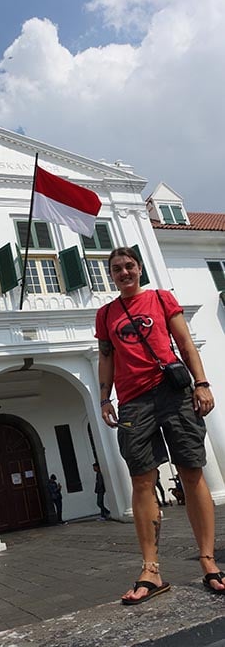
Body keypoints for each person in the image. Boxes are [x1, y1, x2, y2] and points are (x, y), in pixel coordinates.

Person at [95, 246, 219, 605]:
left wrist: (202, 383)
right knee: (141, 479)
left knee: (191, 470)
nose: (124, 273)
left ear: (139, 268)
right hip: (133, 400)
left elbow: (185, 343)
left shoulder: (161, 300)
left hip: (173, 391)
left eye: (129, 266)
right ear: (111, 275)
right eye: (117, 268)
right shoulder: (106, 315)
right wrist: (105, 398)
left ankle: (208, 561)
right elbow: (106, 358)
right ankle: (151, 569)